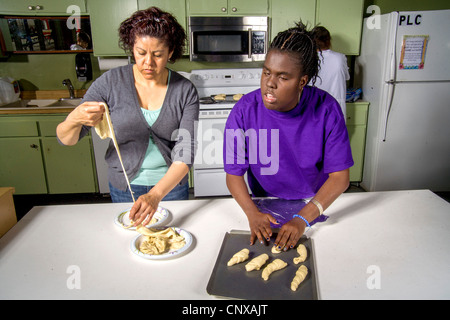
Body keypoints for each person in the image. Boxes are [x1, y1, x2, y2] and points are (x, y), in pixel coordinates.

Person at [57, 7, 199, 226]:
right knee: (130, 244)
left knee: (170, 241)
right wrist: (75, 118)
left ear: (171, 52)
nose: (148, 62)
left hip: (171, 188)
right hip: (125, 188)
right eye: (141, 53)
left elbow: (185, 153)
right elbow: (66, 139)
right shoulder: (110, 83)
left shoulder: (185, 90)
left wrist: (156, 194)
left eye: (158, 54)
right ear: (132, 48)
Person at [223, 21, 353, 251]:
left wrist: (303, 219)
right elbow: (234, 175)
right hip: (265, 203)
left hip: (315, 202)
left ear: (302, 81)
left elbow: (340, 178)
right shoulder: (244, 110)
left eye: (283, 77)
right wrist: (252, 212)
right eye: (266, 73)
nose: (269, 84)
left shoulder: (326, 109)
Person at [310, 26, 350, 117]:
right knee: (335, 130)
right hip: (336, 107)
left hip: (314, 107)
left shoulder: (308, 58)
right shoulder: (340, 58)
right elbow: (346, 77)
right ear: (328, 41)